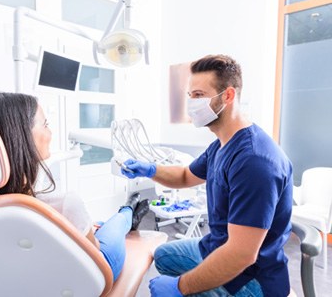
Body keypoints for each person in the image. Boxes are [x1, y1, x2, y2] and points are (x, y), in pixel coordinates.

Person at [121, 55, 293, 296]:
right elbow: (184, 176)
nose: (191, 104)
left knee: (180, 285)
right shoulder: (221, 145)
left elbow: (241, 254)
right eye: (190, 95)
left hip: (252, 276)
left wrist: (180, 287)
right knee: (162, 257)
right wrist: (150, 169)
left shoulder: (254, 161)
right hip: (218, 245)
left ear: (228, 96)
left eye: (199, 95)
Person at [0, 92, 149, 282]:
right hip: (90, 277)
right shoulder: (64, 203)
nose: (51, 132)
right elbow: (95, 254)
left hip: (21, 281)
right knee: (116, 226)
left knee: (100, 225)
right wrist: (90, 234)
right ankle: (128, 211)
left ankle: (113, 219)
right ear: (21, 137)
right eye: (45, 125)